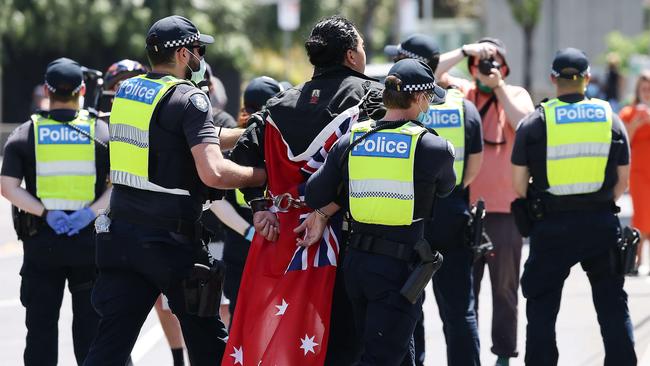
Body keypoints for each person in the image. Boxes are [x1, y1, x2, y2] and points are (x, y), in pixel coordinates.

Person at [82, 15, 266, 366]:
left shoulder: (130, 93)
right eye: (198, 49)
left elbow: (182, 138)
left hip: (120, 237)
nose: (200, 57)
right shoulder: (190, 99)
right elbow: (213, 173)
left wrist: (247, 131)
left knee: (108, 348)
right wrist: (259, 175)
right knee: (209, 345)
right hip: (172, 244)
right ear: (183, 54)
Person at [223, 15, 385, 365]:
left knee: (289, 338)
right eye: (361, 45)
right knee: (345, 340)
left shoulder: (277, 104)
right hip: (346, 239)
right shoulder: (372, 97)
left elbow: (242, 161)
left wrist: (260, 205)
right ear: (351, 56)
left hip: (284, 239)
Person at [300, 58, 455, 365]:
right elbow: (446, 188)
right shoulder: (433, 147)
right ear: (419, 98)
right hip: (399, 271)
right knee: (381, 357)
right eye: (427, 98)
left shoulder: (352, 139)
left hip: (357, 266)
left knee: (395, 352)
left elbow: (315, 193)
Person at [512, 47, 636, 366]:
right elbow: (623, 180)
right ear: (588, 78)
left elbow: (517, 184)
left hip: (550, 227)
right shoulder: (610, 117)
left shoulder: (535, 122)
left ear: (553, 78)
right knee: (612, 305)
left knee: (541, 308)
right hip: (600, 224)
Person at [1, 57, 111, 365]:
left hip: (42, 245)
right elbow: (119, 187)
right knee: (91, 334)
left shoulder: (25, 133)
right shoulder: (101, 132)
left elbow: (8, 188)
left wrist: (47, 214)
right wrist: (88, 214)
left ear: (46, 90)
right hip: (88, 246)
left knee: (40, 332)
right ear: (84, 90)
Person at [435, 37, 534, 366]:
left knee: (505, 289)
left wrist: (499, 86)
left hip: (505, 210)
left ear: (505, 66)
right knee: (467, 290)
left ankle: (504, 354)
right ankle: (469, 355)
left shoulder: (516, 93)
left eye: (494, 59)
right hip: (467, 210)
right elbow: (428, 74)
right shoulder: (462, 94)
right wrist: (466, 51)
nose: (488, 65)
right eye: (483, 60)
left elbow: (524, 123)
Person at [386, 33, 484, 366]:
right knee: (460, 311)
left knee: (407, 306)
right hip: (452, 214)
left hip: (404, 218)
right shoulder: (463, 106)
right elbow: (472, 169)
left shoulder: (391, 106)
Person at [101, 58, 188, 366]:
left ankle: (178, 359)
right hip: (113, 230)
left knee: (166, 305)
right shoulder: (101, 127)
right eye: (116, 85)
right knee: (112, 318)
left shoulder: (163, 116)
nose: (121, 90)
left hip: (151, 225)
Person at [211, 76, 282, 320]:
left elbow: (217, 198)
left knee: (240, 318)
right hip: (267, 240)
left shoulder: (236, 142)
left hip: (241, 241)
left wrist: (248, 231)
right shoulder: (277, 144)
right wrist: (252, 232)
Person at [619, 70, 650, 274]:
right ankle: (637, 260)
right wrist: (636, 124)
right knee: (640, 216)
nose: (647, 93)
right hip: (638, 172)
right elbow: (623, 142)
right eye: (644, 89)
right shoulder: (629, 113)